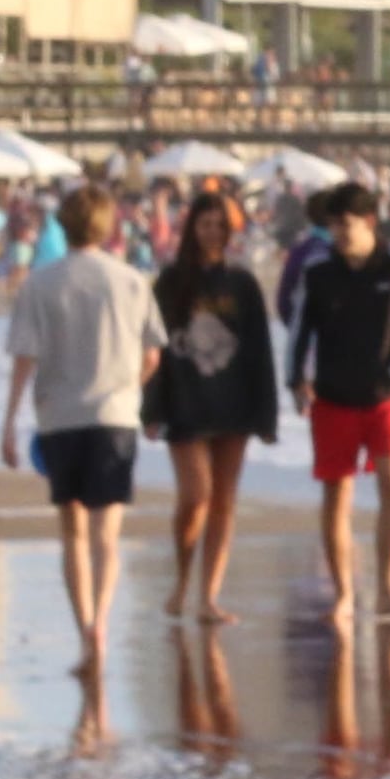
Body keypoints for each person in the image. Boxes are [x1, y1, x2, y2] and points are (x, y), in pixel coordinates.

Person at [2, 186, 163, 662]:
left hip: (60, 418)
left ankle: (84, 627)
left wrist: (10, 420)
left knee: (72, 532)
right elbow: (153, 353)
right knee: (106, 535)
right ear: (110, 224)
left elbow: (24, 357)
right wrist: (128, 386)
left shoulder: (40, 283)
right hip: (114, 416)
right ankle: (103, 623)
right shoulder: (130, 280)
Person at [286, 181, 390, 627]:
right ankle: (345, 594)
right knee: (337, 493)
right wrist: (296, 380)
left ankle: (387, 588)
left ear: (368, 222)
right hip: (332, 397)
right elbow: (298, 330)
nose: (338, 233)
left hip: (384, 398)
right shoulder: (317, 270)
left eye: (345, 224)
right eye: (332, 225)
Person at [146, 191, 278, 623]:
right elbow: (155, 348)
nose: (213, 232)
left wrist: (267, 415)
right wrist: (151, 408)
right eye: (206, 224)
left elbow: (260, 351)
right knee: (195, 496)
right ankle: (182, 580)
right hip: (184, 404)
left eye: (220, 225)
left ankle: (209, 597)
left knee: (223, 501)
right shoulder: (170, 282)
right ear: (192, 228)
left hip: (234, 406)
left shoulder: (242, 284)